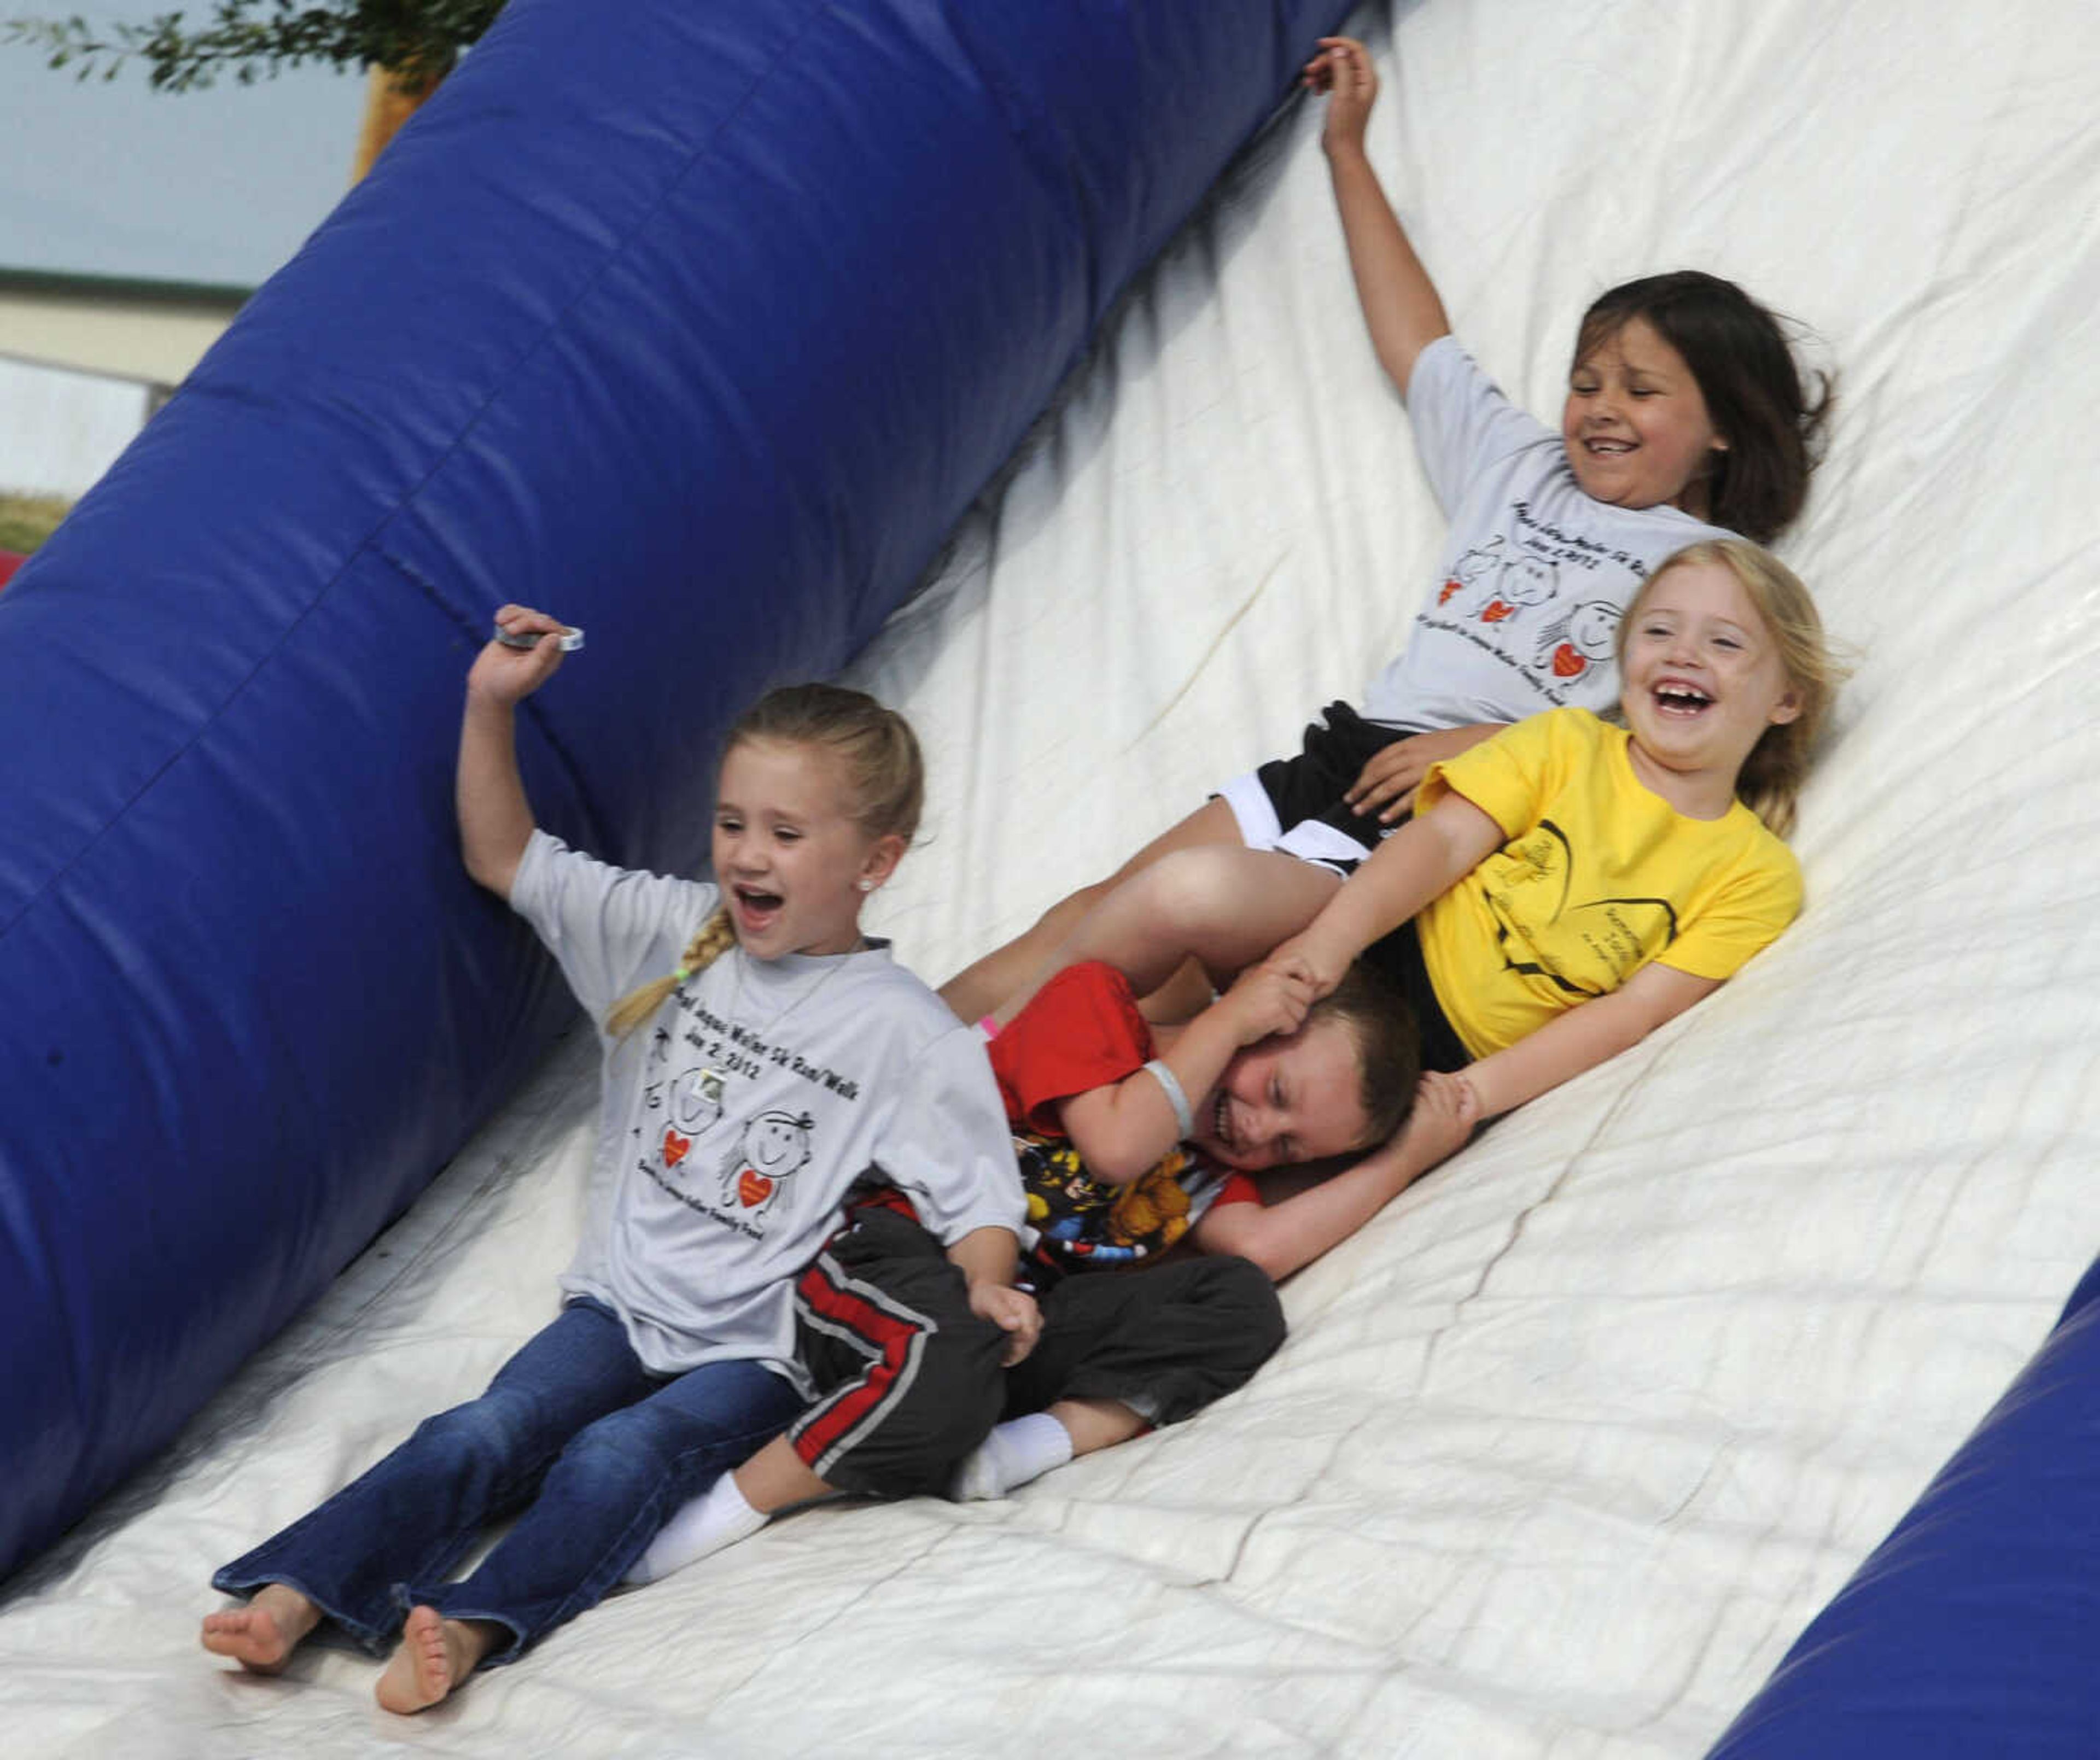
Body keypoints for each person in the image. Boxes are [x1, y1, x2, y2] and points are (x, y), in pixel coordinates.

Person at [200, 608, 1034, 1714]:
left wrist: (984, 1278)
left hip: (753, 1348)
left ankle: (475, 1622)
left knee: (618, 1459)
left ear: (873, 861)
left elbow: (978, 1193)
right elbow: (505, 856)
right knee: (484, 1428)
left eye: (786, 833)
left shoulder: (903, 1027)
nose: (746, 853)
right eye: (733, 822)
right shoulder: (673, 933)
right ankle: (301, 1590)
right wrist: (492, 702)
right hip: (618, 1304)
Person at [937, 33, 1830, 1029]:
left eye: (1641, 389)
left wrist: (1484, 742)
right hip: (1347, 752)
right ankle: (865, 1059)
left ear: (1720, 429)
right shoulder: (1518, 463)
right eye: (1585, 383)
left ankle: (990, 1109)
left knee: (1181, 976)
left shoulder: (1715, 576)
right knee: (1093, 915)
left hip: (1450, 803)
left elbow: (1671, 744)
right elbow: (1419, 341)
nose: (1600, 408)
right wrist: (1346, 155)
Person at [1001, 538, 1840, 1151]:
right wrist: (1326, 942)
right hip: (1374, 929)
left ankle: (1044, 1125)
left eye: (1725, 643)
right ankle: (1000, 1045)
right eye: (1659, 631)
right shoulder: (1567, 742)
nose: (1683, 654)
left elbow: (1632, 1013)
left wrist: (1477, 1093)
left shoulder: (1754, 874)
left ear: (1787, 698)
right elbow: (1436, 846)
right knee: (1185, 889)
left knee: (1205, 1081)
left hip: (1436, 1052)